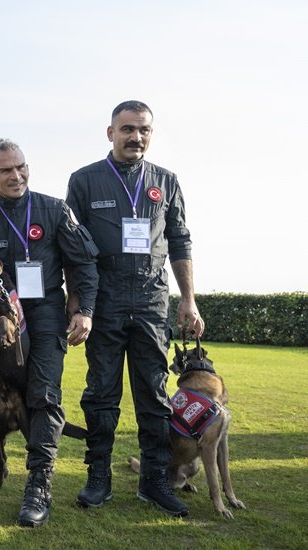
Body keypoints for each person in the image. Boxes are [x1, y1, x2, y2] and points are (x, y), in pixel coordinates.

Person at [65, 100, 205, 518]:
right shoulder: (85, 181)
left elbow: (180, 241)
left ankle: (155, 481)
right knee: (101, 394)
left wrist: (188, 298)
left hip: (150, 299)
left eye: (143, 130)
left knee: (155, 396)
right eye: (127, 129)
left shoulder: (166, 181)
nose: (135, 137)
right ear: (111, 133)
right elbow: (73, 248)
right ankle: (99, 476)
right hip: (104, 299)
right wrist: (79, 304)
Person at [0, 139, 98, 527]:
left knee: (43, 392)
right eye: (5, 170)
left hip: (45, 310)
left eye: (20, 167)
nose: (15, 176)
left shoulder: (53, 210)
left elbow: (83, 263)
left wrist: (83, 310)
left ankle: (39, 481)